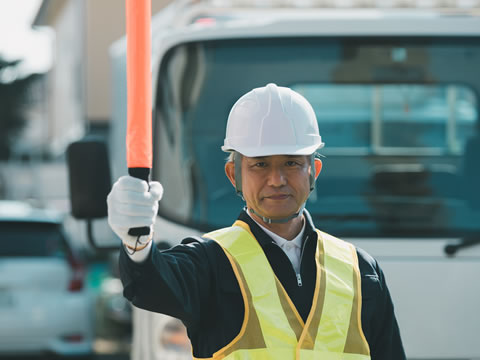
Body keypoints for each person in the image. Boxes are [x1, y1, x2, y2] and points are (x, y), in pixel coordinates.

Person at [107, 83, 406, 359]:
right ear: (233, 174)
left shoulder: (361, 272)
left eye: (291, 162)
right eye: (260, 165)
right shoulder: (209, 262)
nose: (276, 180)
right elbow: (149, 285)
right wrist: (137, 239)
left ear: (313, 170)